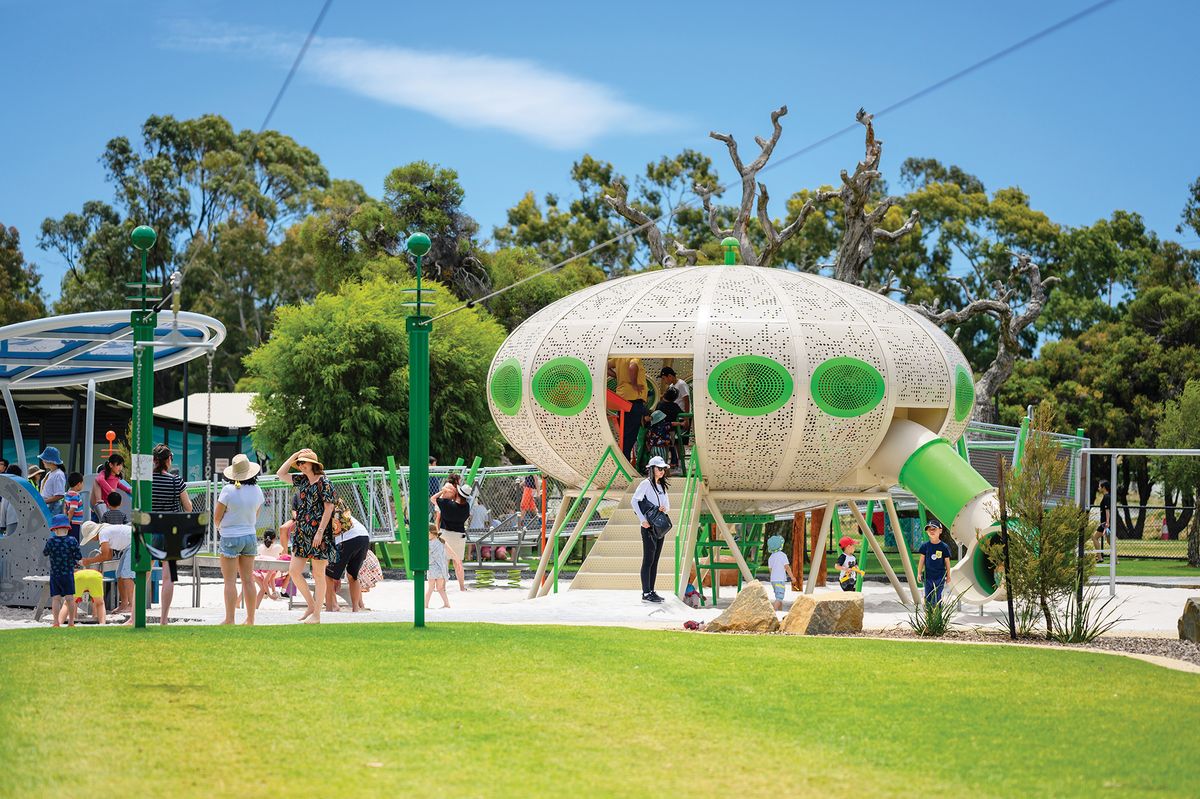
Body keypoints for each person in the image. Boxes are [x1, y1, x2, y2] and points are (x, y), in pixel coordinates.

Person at [275, 448, 337, 624]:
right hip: (302, 532)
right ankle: (311, 605)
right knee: (294, 571)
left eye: (303, 462)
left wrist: (319, 532)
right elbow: (281, 473)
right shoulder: (302, 481)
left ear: (313, 464)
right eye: (299, 463)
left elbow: (329, 508)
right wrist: (294, 455)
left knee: (318, 574)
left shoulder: (325, 483)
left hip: (319, 534)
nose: (301, 465)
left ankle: (317, 614)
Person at [214, 454, 264, 626]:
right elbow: (256, 515)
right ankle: (250, 619)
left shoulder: (228, 490)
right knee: (248, 580)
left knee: (229, 581)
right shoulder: (257, 490)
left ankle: (230, 619)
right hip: (249, 536)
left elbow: (217, 517)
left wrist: (221, 527)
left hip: (230, 537)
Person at [151, 444, 192, 626]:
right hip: (171, 530)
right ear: (168, 460)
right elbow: (188, 507)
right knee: (169, 576)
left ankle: (134, 616)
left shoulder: (147, 480)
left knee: (144, 572)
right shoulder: (176, 481)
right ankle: (163, 619)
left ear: (154, 460)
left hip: (150, 528)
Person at [632, 455, 671, 603]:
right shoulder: (646, 484)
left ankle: (652, 591)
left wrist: (663, 508)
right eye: (659, 468)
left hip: (659, 527)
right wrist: (642, 520)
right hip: (648, 527)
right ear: (652, 469)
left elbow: (667, 506)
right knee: (648, 559)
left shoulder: (661, 486)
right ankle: (645, 593)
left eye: (663, 469)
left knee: (655, 560)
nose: (662, 471)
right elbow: (634, 501)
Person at [79, 520, 135, 616]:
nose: (92, 540)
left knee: (126, 575)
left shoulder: (103, 534)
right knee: (119, 575)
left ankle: (132, 605)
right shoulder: (105, 531)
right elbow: (108, 556)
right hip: (130, 544)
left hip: (134, 544)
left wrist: (88, 561)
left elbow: (105, 556)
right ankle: (124, 604)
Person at [324, 500, 371, 613]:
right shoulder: (339, 509)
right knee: (353, 576)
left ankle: (330, 608)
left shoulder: (324, 511)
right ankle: (356, 608)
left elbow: (331, 543)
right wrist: (337, 575)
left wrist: (336, 575)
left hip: (347, 538)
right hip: (364, 536)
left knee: (328, 575)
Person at [43, 513, 82, 628]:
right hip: (68, 574)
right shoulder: (72, 540)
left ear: (54, 529)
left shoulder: (51, 541)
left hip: (55, 574)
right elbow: (78, 556)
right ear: (67, 528)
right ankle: (71, 622)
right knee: (70, 598)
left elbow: (45, 553)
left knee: (56, 599)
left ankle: (56, 622)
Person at [432, 481, 470, 591]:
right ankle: (462, 587)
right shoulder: (466, 507)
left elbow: (433, 499)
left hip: (446, 535)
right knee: (458, 562)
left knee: (445, 562)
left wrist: (442, 491)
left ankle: (442, 587)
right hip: (459, 536)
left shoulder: (446, 504)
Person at [609, 356, 648, 462]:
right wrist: (634, 384)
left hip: (622, 399)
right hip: (633, 400)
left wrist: (618, 376)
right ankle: (624, 461)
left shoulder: (619, 357)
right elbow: (632, 367)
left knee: (624, 433)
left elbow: (607, 366)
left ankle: (622, 459)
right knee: (630, 434)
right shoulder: (634, 357)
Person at [658, 367, 691, 468]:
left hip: (681, 416)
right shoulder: (672, 386)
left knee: (679, 441)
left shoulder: (681, 384)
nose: (664, 381)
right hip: (674, 416)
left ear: (670, 376)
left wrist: (686, 418)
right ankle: (676, 462)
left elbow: (686, 399)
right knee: (674, 441)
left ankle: (682, 464)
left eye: (664, 378)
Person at [916, 520, 953, 605]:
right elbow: (921, 561)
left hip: (939, 577)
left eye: (934, 529)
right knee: (928, 597)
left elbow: (947, 562)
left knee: (937, 597)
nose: (931, 531)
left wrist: (948, 575)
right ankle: (929, 616)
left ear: (940, 530)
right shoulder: (925, 546)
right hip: (928, 577)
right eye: (929, 529)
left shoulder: (944, 547)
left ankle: (937, 616)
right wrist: (919, 573)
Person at [252, 530, 286, 607]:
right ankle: (283, 590)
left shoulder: (260, 547)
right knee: (288, 572)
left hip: (260, 571)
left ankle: (273, 591)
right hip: (272, 570)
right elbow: (284, 554)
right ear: (274, 539)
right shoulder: (278, 547)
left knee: (270, 574)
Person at [766, 534, 796, 610]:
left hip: (773, 580)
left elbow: (770, 570)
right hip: (780, 580)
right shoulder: (782, 555)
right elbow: (787, 567)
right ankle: (773, 612)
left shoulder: (771, 557)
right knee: (779, 598)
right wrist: (792, 577)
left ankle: (780, 611)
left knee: (779, 596)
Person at [425, 524, 451, 609]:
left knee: (431, 588)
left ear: (430, 533)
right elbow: (450, 552)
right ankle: (446, 604)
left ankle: (425, 605)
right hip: (441, 569)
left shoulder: (428, 543)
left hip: (432, 567)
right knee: (440, 588)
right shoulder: (441, 541)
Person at [37, 446, 67, 516]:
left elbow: (59, 495)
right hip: (46, 507)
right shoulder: (50, 473)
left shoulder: (58, 474)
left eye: (44, 459)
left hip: (52, 509)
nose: (42, 461)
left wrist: (43, 502)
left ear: (51, 461)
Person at [1091, 479, 1111, 562]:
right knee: (1110, 541)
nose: (1098, 488)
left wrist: (1107, 523)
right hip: (1105, 523)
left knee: (1094, 538)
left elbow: (1107, 510)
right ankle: (1116, 560)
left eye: (1099, 486)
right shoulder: (1107, 496)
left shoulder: (1106, 497)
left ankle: (1099, 557)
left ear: (1104, 487)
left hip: (1104, 523)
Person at [63, 473, 86, 542]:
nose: (82, 485)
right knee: (74, 541)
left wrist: (65, 518)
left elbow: (65, 507)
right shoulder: (75, 496)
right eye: (82, 483)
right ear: (79, 484)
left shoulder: (68, 494)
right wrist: (68, 523)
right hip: (73, 523)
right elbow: (72, 510)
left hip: (69, 521)